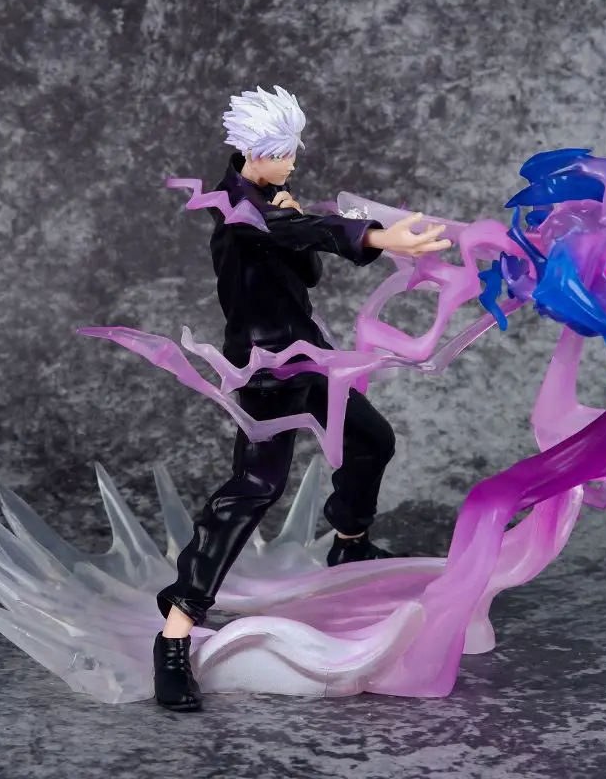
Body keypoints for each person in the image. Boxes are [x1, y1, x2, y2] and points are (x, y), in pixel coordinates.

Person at [154, 85, 452, 711]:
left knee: (371, 440)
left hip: (307, 358)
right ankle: (175, 632)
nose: (294, 161)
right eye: (285, 153)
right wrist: (378, 237)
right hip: (265, 372)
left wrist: (303, 221)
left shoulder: (268, 201)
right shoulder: (240, 210)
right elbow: (304, 230)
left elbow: (304, 263)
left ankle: (350, 540)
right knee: (254, 489)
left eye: (293, 150)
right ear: (255, 154)